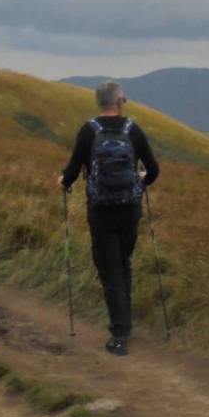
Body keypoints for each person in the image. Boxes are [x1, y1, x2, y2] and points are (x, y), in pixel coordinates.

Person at [58, 81, 160, 355]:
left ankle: (120, 333)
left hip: (100, 210)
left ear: (99, 102)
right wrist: (141, 180)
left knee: (109, 268)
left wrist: (63, 181)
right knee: (123, 262)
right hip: (130, 209)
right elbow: (153, 170)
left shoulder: (88, 131)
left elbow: (72, 170)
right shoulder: (133, 130)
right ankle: (124, 323)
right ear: (119, 101)